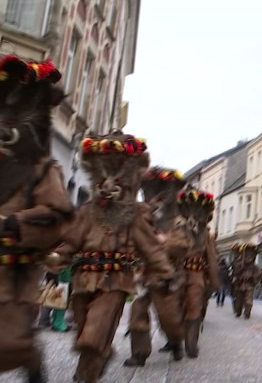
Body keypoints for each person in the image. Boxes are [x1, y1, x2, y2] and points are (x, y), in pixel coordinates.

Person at [53, 133, 174, 383]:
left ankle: (85, 377)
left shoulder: (135, 214)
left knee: (94, 334)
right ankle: (98, 359)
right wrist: (57, 257)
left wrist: (164, 274)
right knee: (83, 333)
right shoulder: (87, 211)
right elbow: (72, 240)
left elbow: (151, 249)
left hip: (115, 281)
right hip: (83, 280)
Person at [0, 56, 73, 383]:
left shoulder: (44, 169)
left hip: (15, 274)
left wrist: (15, 221)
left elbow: (58, 217)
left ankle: (31, 357)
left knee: (8, 345)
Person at [124, 167, 188, 367]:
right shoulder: (140, 218)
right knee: (137, 314)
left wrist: (163, 242)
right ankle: (139, 354)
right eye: (149, 193)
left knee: (168, 318)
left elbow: (183, 245)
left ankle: (176, 341)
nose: (153, 199)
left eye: (158, 193)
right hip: (142, 275)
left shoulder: (178, 221)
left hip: (166, 276)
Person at [176, 189, 222, 358]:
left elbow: (211, 259)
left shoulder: (207, 236)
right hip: (177, 276)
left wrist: (214, 280)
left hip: (196, 276)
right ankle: (174, 340)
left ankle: (191, 344)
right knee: (176, 308)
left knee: (194, 308)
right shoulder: (177, 230)